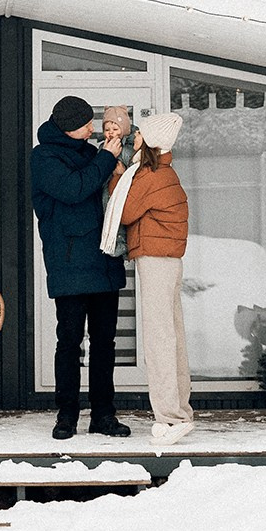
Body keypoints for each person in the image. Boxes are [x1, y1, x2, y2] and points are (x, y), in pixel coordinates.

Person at [31, 94, 131, 441]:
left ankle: (104, 415)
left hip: (103, 260)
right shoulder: (44, 157)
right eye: (87, 123)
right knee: (69, 343)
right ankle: (67, 415)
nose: (93, 128)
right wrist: (106, 158)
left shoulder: (92, 153)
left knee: (105, 343)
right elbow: (74, 189)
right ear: (70, 127)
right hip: (70, 262)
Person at [108, 111, 194, 444]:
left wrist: (116, 176)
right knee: (172, 337)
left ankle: (170, 419)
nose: (135, 137)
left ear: (152, 142)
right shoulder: (161, 172)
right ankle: (180, 412)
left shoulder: (151, 175)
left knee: (159, 339)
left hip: (156, 261)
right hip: (167, 261)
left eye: (141, 133)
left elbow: (126, 211)